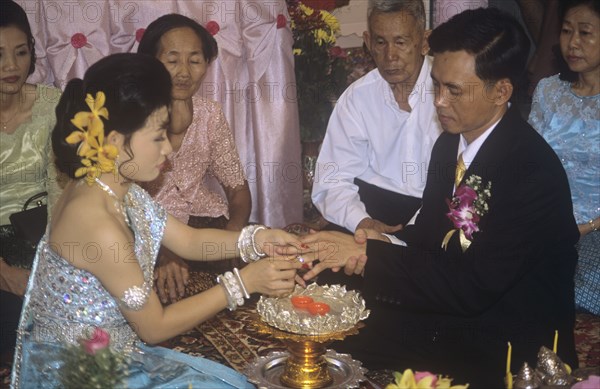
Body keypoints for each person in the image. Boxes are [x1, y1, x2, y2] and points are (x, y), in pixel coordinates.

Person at [297, 7, 579, 387]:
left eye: (454, 90)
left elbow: (470, 287)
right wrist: (368, 242)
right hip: (458, 300)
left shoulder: (530, 173)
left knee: (348, 334)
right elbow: (430, 238)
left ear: (501, 91)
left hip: (510, 334)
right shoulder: (450, 145)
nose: (439, 102)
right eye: (436, 85)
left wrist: (367, 258)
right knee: (331, 311)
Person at [11, 53, 304, 388]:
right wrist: (244, 283)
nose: (168, 149)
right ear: (115, 142)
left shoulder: (114, 187)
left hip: (109, 352)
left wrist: (257, 239)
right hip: (81, 371)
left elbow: (189, 241)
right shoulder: (95, 220)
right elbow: (154, 327)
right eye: (158, 136)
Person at [137, 14, 252, 304]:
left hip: (204, 223)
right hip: (145, 231)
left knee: (249, 289)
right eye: (172, 60)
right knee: (154, 295)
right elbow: (125, 201)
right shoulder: (132, 116)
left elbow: (237, 190)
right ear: (151, 63)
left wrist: (232, 239)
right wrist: (166, 250)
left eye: (195, 60)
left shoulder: (209, 114)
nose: (184, 72)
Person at [311, 0, 442, 234]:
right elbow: (332, 181)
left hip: (436, 214)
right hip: (367, 211)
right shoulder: (357, 98)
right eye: (380, 42)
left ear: (424, 42)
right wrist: (362, 223)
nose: (390, 55)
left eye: (401, 42)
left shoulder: (450, 93)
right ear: (368, 42)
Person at [529, 0, 599, 316]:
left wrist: (589, 225)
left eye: (585, 33)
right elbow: (527, 164)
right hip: (546, 219)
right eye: (567, 31)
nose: (573, 43)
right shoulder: (548, 91)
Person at [0, 0, 61, 356]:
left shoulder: (54, 104)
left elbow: (65, 188)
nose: (11, 66)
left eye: (20, 52)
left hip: (44, 235)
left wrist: (54, 262)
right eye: (0, 54)